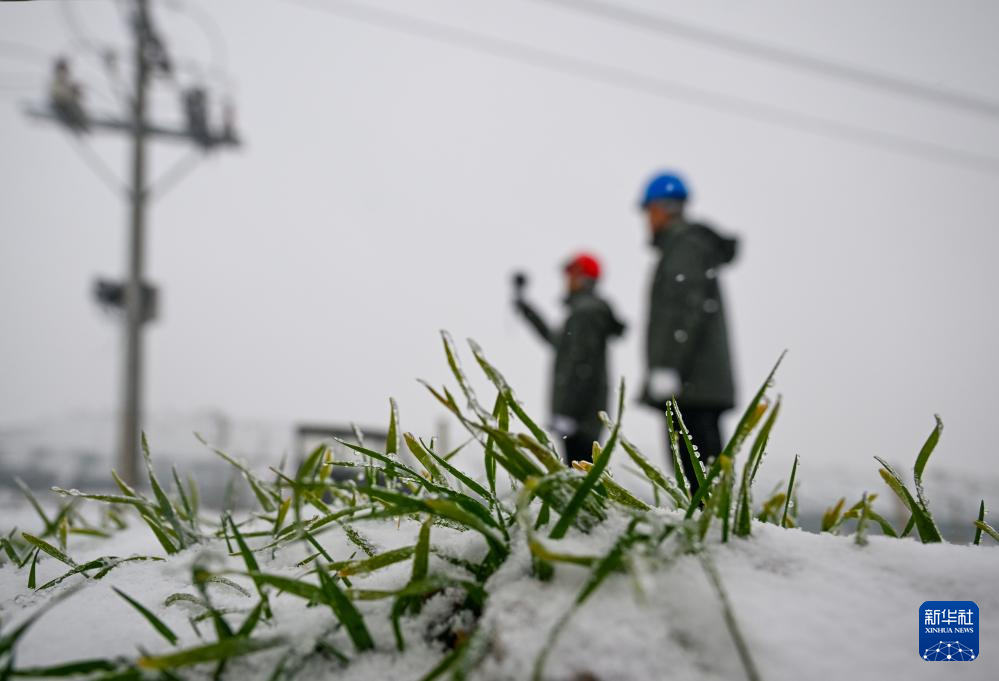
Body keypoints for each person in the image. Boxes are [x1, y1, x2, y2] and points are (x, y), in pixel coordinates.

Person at [638, 171, 738, 495]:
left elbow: (682, 311)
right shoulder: (687, 246)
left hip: (692, 387)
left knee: (700, 482)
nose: (646, 219)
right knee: (702, 477)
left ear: (664, 207)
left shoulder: (684, 245)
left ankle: (713, 541)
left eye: (648, 210)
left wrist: (669, 366)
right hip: (696, 384)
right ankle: (711, 537)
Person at [512, 253, 626, 465]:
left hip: (580, 418)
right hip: (585, 416)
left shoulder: (586, 313)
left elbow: (581, 366)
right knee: (580, 475)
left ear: (584, 279)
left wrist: (568, 413)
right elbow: (558, 343)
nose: (567, 281)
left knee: (580, 479)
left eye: (571, 275)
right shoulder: (583, 312)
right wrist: (527, 310)